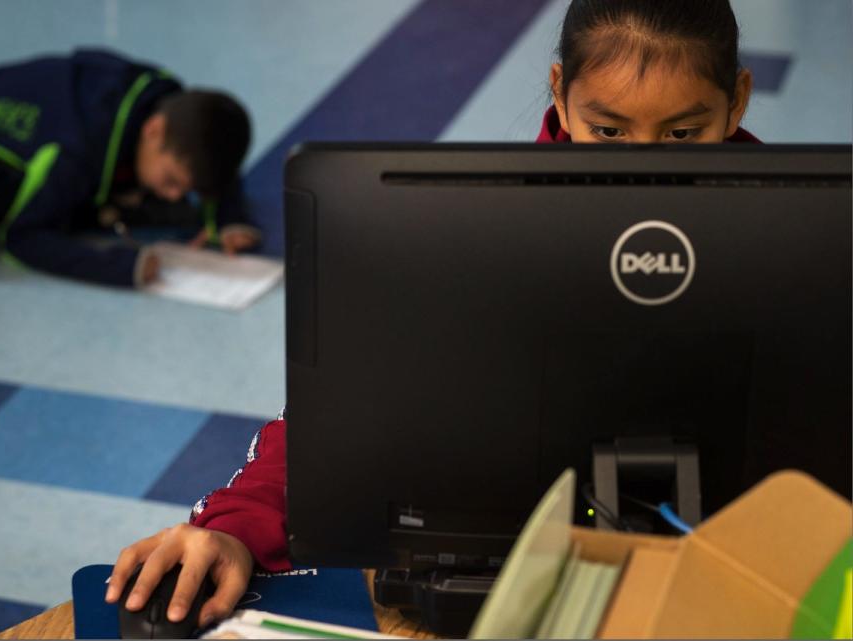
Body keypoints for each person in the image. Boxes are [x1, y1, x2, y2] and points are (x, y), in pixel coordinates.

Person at [105, 0, 760, 629]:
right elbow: (340, 414)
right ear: (560, 94)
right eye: (609, 131)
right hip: (516, 583)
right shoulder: (468, 236)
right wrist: (235, 527)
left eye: (682, 133)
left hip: (754, 573)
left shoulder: (803, 236)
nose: (642, 169)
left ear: (737, 103)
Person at [0, 48, 261, 288]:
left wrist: (230, 218)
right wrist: (124, 268)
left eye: (185, 189)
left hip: (57, 96)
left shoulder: (174, 109)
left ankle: (108, 204)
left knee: (159, 201)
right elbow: (21, 239)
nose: (175, 195)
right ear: (152, 130)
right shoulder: (79, 151)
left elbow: (212, 149)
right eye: (171, 181)